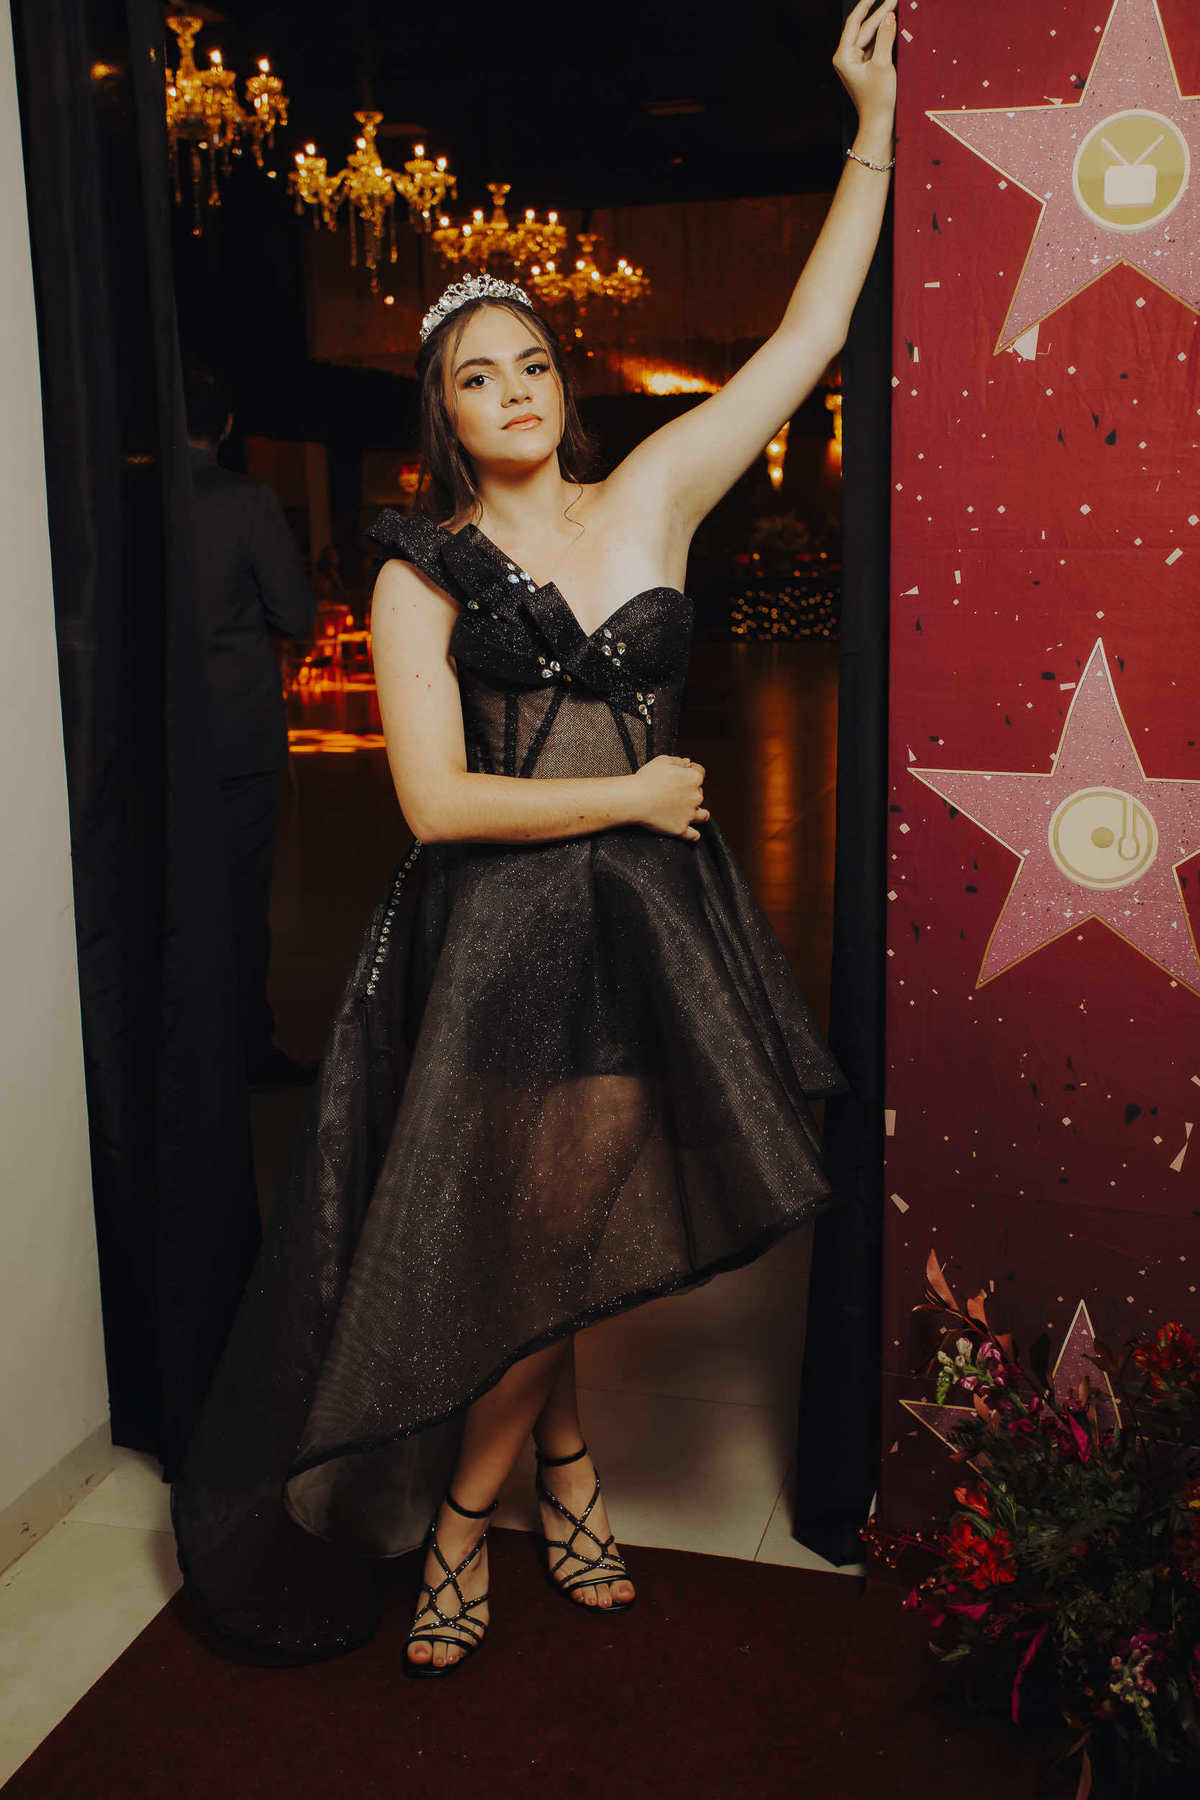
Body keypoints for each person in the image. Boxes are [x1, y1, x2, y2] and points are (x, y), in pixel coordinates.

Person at [171, 0, 897, 1671]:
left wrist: (868, 131)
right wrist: (631, 795)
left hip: (645, 933)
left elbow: (808, 334)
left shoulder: (655, 496)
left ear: (565, 384)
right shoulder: (415, 568)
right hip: (491, 940)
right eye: (473, 375)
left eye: (531, 365)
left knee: (553, 1228)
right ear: (442, 409)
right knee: (530, 1235)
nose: (510, 391)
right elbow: (434, 805)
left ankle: (472, 1512)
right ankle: (537, 1486)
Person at [184, 363, 319, 1088]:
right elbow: (295, 616)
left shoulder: (124, 503)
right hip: (237, 732)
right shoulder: (247, 502)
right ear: (227, 426)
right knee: (240, 902)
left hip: (152, 736)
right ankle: (245, 1051)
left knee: (169, 899)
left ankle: (177, 1055)